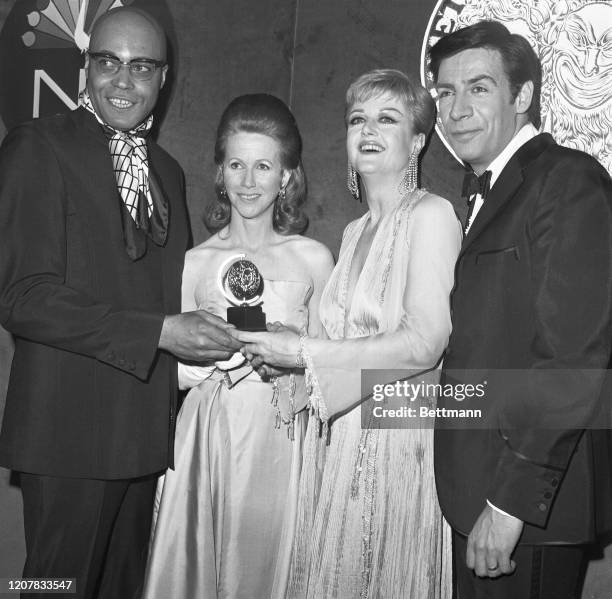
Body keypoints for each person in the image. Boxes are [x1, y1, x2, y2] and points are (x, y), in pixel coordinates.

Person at [0, 8, 239, 599]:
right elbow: (23, 297)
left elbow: (171, 298)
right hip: (67, 437)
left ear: (164, 78)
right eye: (108, 62)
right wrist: (160, 331)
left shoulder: (167, 170)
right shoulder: (37, 146)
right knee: (51, 590)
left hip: (145, 441)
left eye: (141, 66)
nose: (123, 80)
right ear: (86, 67)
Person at [237, 70, 461, 598]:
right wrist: (288, 359)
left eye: (388, 119)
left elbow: (426, 342)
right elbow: (330, 345)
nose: (368, 129)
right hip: (335, 442)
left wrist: (304, 352)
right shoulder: (353, 230)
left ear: (419, 141)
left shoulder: (432, 215)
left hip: (397, 443)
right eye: (357, 118)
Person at [429, 20, 612, 598]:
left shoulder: (568, 180)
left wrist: (509, 505)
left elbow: (572, 358)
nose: (456, 109)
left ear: (524, 95)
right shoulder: (485, 194)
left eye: (478, 88)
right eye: (445, 93)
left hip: (524, 513)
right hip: (478, 496)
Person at [142, 93, 334, 599]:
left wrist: (297, 357)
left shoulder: (314, 259)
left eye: (263, 166)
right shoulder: (194, 261)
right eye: (236, 165)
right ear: (220, 173)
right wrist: (202, 362)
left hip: (282, 438)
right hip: (206, 432)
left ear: (286, 177)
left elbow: (335, 369)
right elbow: (171, 372)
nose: (249, 182)